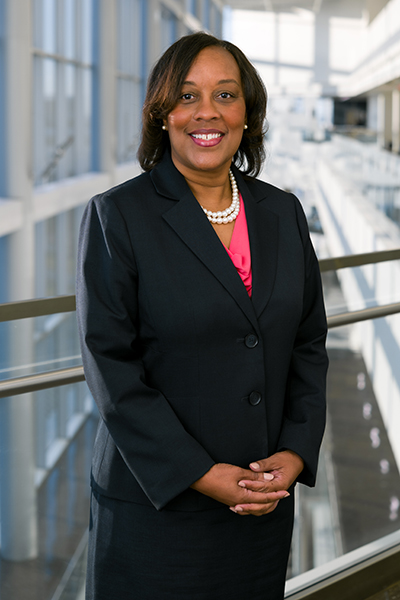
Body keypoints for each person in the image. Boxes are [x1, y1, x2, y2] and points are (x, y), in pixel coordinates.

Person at [76, 31, 328, 600]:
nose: (206, 112)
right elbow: (110, 366)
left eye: (225, 94)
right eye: (187, 96)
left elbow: (309, 343)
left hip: (260, 502)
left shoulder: (282, 212)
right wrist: (202, 474)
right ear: (161, 114)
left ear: (248, 113)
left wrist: (295, 450)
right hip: (157, 507)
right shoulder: (119, 215)